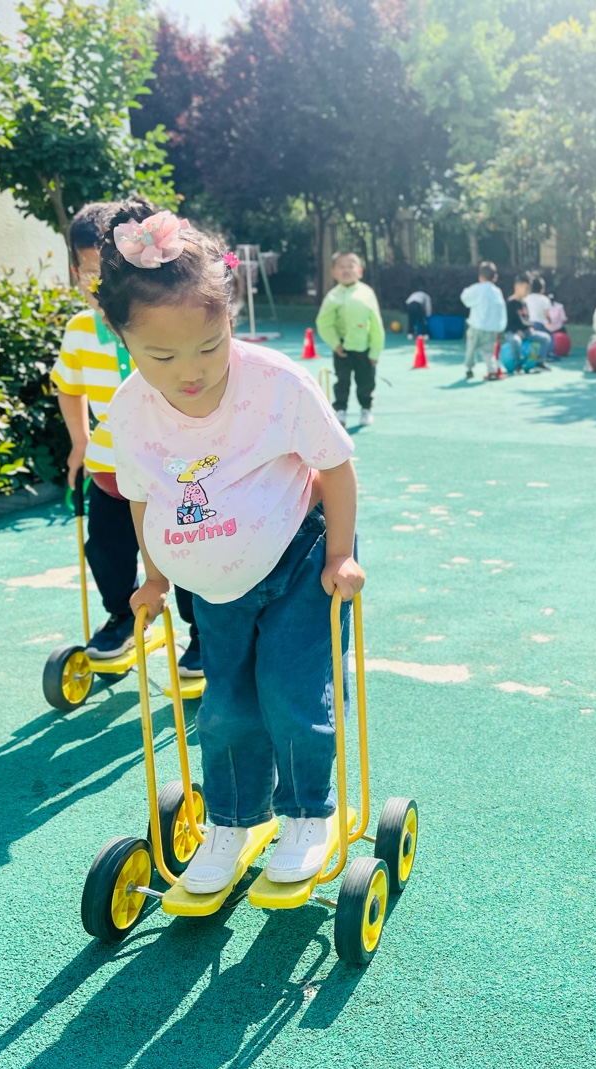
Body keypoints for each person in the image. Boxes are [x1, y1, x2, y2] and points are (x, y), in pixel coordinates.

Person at [99, 201, 364, 892]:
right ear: (122, 336)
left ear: (230, 318)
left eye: (209, 346)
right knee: (225, 707)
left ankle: (307, 813)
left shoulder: (277, 384)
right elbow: (142, 495)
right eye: (161, 355)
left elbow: (335, 467)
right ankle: (233, 819)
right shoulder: (128, 409)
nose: (190, 370)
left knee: (291, 691)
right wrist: (155, 578)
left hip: (299, 558)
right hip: (211, 582)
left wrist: (340, 553)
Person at [51, 201, 204, 676]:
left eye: (107, 273)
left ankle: (202, 632)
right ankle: (123, 616)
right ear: (75, 273)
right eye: (87, 274)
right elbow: (68, 387)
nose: (98, 286)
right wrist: (79, 442)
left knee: (187, 547)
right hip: (110, 469)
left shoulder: (159, 321)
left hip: (170, 470)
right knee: (106, 549)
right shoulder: (80, 331)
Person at [316, 252, 384, 427]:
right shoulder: (333, 296)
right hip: (343, 350)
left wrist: (375, 351)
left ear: (359, 271)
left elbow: (376, 324)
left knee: (366, 381)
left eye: (351, 266)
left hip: (364, 348)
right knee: (342, 381)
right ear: (333, 272)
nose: (346, 270)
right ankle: (340, 410)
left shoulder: (366, 293)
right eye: (341, 267)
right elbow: (324, 322)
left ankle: (366, 408)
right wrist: (335, 343)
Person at [461, 262, 507, 380]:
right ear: (495, 277)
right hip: (489, 329)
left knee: (471, 349)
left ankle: (469, 369)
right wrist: (500, 327)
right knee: (488, 352)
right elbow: (501, 310)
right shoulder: (497, 292)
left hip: (475, 326)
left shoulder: (477, 288)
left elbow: (465, 297)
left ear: (480, 276)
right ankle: (492, 371)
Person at [505, 274, 551, 371]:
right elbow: (508, 323)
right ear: (518, 287)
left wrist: (530, 327)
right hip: (513, 332)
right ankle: (518, 365)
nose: (527, 292)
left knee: (545, 338)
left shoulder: (524, 303)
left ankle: (539, 362)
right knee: (515, 341)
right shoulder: (510, 303)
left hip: (526, 332)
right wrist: (517, 331)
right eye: (526, 289)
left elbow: (527, 319)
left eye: (529, 289)